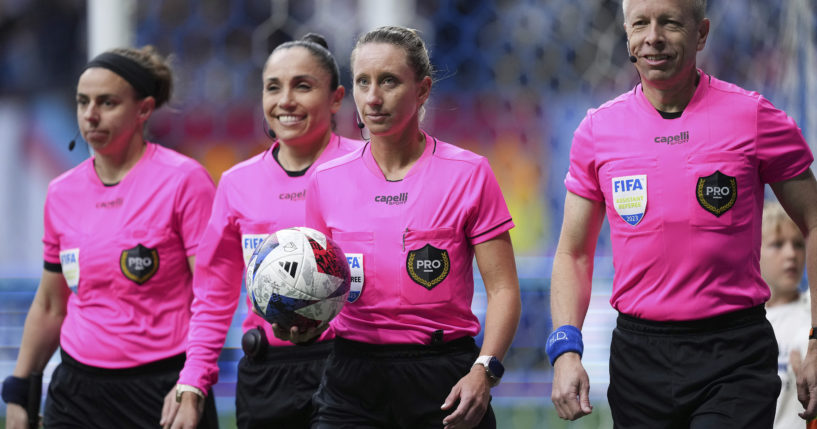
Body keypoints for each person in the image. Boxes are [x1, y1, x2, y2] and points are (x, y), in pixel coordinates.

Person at [547, 0, 817, 427]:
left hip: (734, 355)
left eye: (669, 22)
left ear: (702, 33)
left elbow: (814, 222)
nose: (653, 36)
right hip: (639, 360)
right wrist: (565, 349)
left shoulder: (753, 117)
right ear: (627, 34)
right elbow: (572, 254)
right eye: (641, 24)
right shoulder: (597, 132)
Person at [299, 25, 521, 429]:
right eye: (363, 82)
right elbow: (321, 287)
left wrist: (483, 371)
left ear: (421, 90)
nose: (372, 97)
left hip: (444, 377)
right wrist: (303, 323)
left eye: (389, 81)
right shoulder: (325, 180)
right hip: (352, 380)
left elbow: (504, 289)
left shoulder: (469, 174)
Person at [1, 46, 218, 428]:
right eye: (83, 101)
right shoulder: (61, 192)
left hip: (163, 388)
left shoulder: (184, 180)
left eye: (107, 102)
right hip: (77, 392)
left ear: (144, 109)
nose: (91, 114)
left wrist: (192, 383)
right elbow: (52, 304)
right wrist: (20, 389)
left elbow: (211, 297)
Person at [164, 34, 361, 429]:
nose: (285, 100)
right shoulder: (237, 183)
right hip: (266, 377)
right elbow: (213, 297)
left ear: (336, 98)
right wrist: (192, 383)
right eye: (273, 87)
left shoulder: (365, 170)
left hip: (351, 371)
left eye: (302, 86)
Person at [763, 201, 810, 429]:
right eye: (778, 244)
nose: (791, 254)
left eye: (799, 244)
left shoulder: (812, 315)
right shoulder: (737, 322)